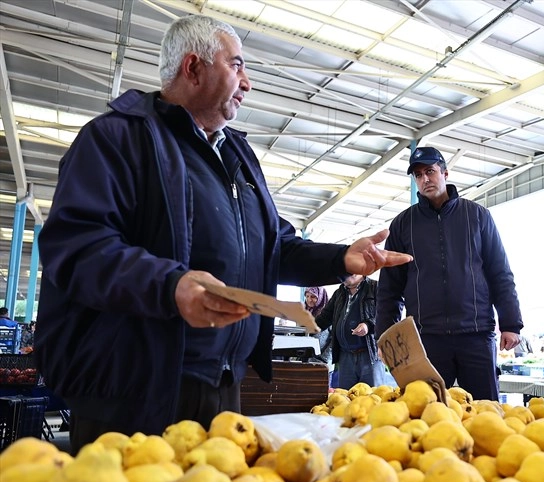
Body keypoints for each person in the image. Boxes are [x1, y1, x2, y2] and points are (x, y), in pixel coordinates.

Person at [34, 14, 411, 455]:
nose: (247, 82)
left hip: (222, 385)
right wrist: (170, 286)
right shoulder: (118, 139)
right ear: (193, 68)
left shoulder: (237, 157)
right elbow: (77, 246)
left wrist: (342, 258)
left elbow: (275, 244)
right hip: (134, 391)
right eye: (237, 65)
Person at [376, 146, 523, 401]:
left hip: (476, 335)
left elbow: (500, 272)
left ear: (445, 173)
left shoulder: (478, 216)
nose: (425, 179)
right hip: (426, 339)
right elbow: (389, 288)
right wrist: (386, 338)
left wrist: (511, 324)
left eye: (430, 171)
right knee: (426, 411)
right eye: (418, 175)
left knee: (485, 410)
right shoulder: (402, 225)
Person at [315, 275, 385, 389]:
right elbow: (324, 318)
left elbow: (385, 315)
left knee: (372, 398)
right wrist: (305, 326)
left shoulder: (375, 287)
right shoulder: (339, 292)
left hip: (370, 356)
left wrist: (368, 325)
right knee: (346, 399)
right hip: (345, 356)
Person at [303, 286, 333, 378]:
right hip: (305, 362)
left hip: (322, 363)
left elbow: (335, 339)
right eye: (307, 296)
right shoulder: (304, 313)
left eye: (313, 297)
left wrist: (323, 359)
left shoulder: (329, 314)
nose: (309, 300)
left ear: (320, 297)